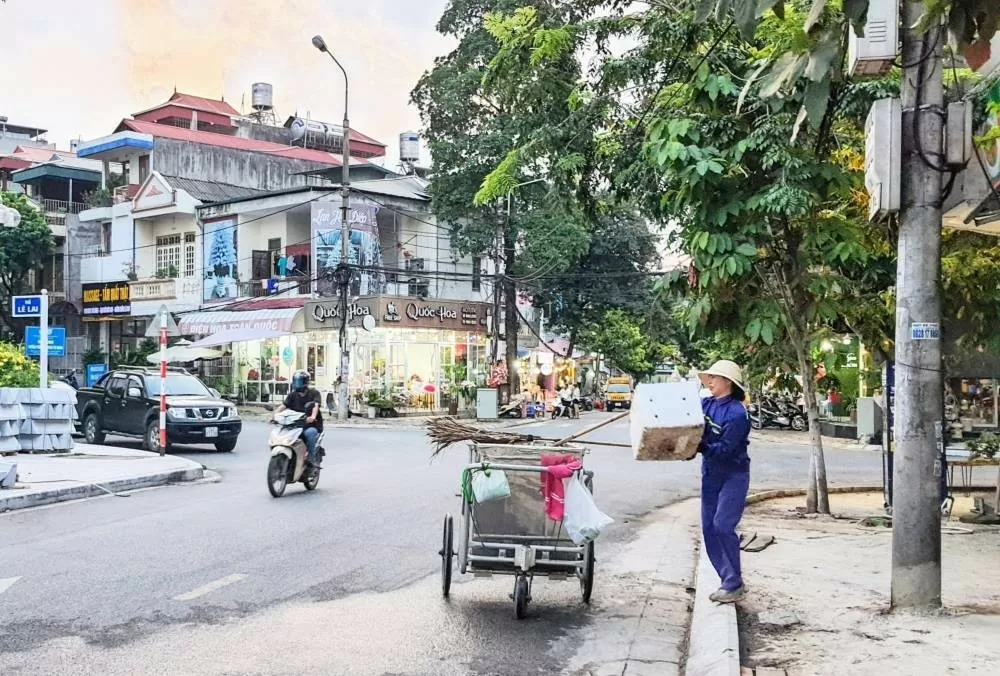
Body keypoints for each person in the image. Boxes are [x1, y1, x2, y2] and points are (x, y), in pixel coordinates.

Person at [696, 360, 751, 604]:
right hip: (710, 474)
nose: (709, 382)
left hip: (733, 475)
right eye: (709, 378)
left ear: (727, 382)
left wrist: (700, 446)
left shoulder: (738, 414)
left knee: (722, 525)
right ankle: (727, 579)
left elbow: (726, 450)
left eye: (714, 378)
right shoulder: (706, 404)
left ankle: (734, 582)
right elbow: (688, 419)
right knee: (708, 528)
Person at [275, 369, 324, 468]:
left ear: (305, 382)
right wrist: (275, 415)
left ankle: (311, 458)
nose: (297, 384)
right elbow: (283, 406)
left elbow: (315, 406)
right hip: (294, 424)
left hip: (310, 424)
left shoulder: (314, 393)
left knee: (310, 434)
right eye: (296, 381)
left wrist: (313, 417)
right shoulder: (293, 395)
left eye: (300, 381)